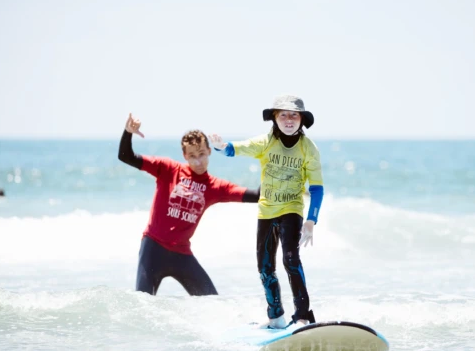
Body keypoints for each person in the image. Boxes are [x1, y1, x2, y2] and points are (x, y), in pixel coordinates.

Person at [210, 95, 324, 328]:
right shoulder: (266, 142)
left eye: (294, 115)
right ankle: (276, 317)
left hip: (291, 209)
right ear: (274, 118)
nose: (289, 119)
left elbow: (317, 188)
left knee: (291, 260)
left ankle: (303, 316)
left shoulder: (308, 148)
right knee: (265, 266)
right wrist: (222, 147)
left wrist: (311, 220)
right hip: (266, 211)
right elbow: (238, 149)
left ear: (302, 119)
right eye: (283, 114)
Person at [118, 113, 260, 296]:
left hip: (181, 253)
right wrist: (128, 132)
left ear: (209, 151)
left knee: (212, 302)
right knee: (142, 303)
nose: (198, 161)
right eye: (192, 156)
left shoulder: (215, 186)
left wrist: (273, 167)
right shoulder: (167, 169)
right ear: (184, 155)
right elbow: (125, 156)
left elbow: (257, 195)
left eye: (201, 154)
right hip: (153, 249)